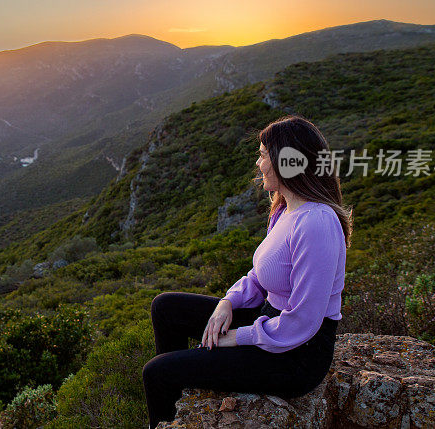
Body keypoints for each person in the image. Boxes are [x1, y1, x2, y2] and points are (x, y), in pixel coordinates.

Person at [141, 115, 352, 428]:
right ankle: (182, 394)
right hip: (270, 320)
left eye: (264, 155)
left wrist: (238, 338)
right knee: (166, 307)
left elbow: (304, 321)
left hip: (296, 355)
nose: (258, 163)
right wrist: (227, 302)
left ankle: (175, 389)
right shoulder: (285, 208)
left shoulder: (316, 223)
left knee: (157, 372)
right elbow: (260, 276)